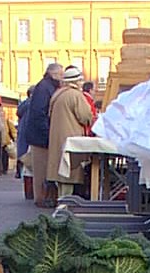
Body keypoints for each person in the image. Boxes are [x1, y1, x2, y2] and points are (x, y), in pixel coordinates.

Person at [46, 66, 93, 199]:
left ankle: (61, 202)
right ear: (76, 81)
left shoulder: (57, 94)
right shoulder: (76, 95)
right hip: (71, 139)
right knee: (68, 173)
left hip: (57, 139)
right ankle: (65, 206)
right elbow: (85, 116)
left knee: (60, 175)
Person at [25, 62, 63, 207]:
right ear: (53, 74)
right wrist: (48, 134)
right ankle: (41, 199)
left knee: (43, 169)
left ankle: (43, 197)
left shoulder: (46, 86)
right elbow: (39, 114)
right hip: (40, 137)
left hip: (39, 135)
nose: (62, 78)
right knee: (41, 170)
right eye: (61, 74)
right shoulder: (45, 88)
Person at [15, 84, 35, 179]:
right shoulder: (34, 104)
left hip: (22, 132)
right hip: (30, 132)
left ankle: (19, 171)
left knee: (22, 153)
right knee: (29, 155)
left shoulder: (23, 105)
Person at [0, 107, 17, 176]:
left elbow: (12, 130)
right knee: (3, 156)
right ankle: (2, 169)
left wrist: (14, 138)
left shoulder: (7, 121)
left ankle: (4, 169)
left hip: (6, 141)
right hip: (1, 141)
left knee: (5, 156)